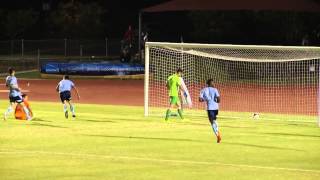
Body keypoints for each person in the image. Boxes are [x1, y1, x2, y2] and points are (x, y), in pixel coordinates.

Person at [199, 79, 221, 143]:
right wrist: (216, 101)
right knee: (214, 120)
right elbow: (219, 100)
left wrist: (205, 99)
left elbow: (200, 100)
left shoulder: (203, 90)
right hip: (216, 108)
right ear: (211, 83)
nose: (214, 84)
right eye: (213, 83)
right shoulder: (215, 89)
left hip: (210, 108)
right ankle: (217, 131)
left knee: (212, 122)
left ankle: (217, 135)